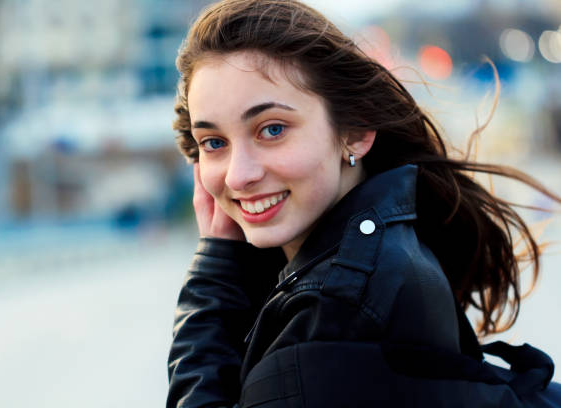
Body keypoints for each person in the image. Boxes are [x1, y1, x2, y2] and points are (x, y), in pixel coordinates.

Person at [166, 0, 561, 407]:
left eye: (272, 129)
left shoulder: (337, 310)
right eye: (214, 143)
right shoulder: (387, 248)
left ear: (354, 133)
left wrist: (214, 270)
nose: (236, 176)